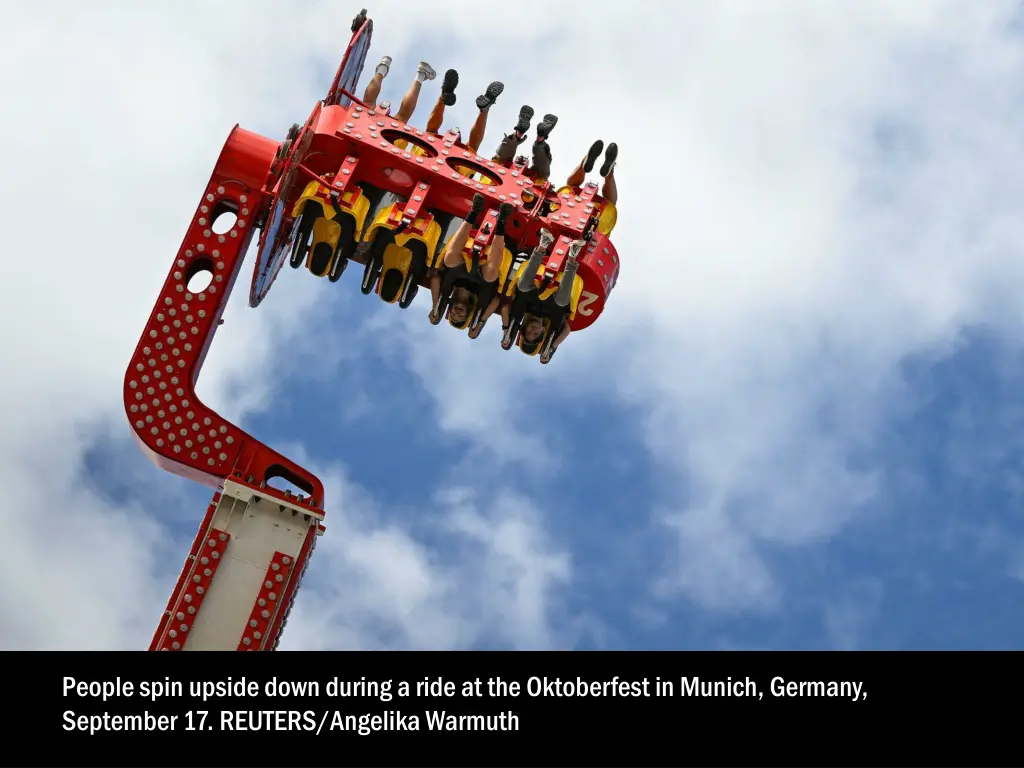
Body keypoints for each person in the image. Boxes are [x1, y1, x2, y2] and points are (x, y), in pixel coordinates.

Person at [429, 193, 514, 329]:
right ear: (468, 314)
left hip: (465, 253)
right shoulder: (481, 302)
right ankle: (501, 221)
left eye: (453, 314)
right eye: (460, 316)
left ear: (449, 308)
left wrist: (436, 307)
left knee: (449, 260)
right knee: (491, 275)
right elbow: (497, 300)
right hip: (490, 259)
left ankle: (474, 211)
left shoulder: (446, 291)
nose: (457, 313)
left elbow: (434, 279)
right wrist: (481, 321)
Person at [507, 234, 585, 361]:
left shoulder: (519, 310)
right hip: (557, 288)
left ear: (525, 327)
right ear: (543, 331)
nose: (533, 330)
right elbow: (567, 329)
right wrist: (551, 348)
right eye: (536, 334)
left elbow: (504, 306)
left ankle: (542, 245)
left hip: (536, 279)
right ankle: (572, 255)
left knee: (522, 287)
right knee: (562, 301)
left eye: (529, 332)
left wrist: (507, 332)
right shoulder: (554, 322)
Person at [562, 140, 618, 234]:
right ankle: (608, 174)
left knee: (570, 187)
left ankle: (584, 165)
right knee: (610, 204)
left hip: (568, 206)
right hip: (596, 220)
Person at [492, 111, 558, 182]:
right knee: (540, 173)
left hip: (497, 177)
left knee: (501, 159)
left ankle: (518, 134)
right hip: (530, 184)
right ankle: (540, 137)